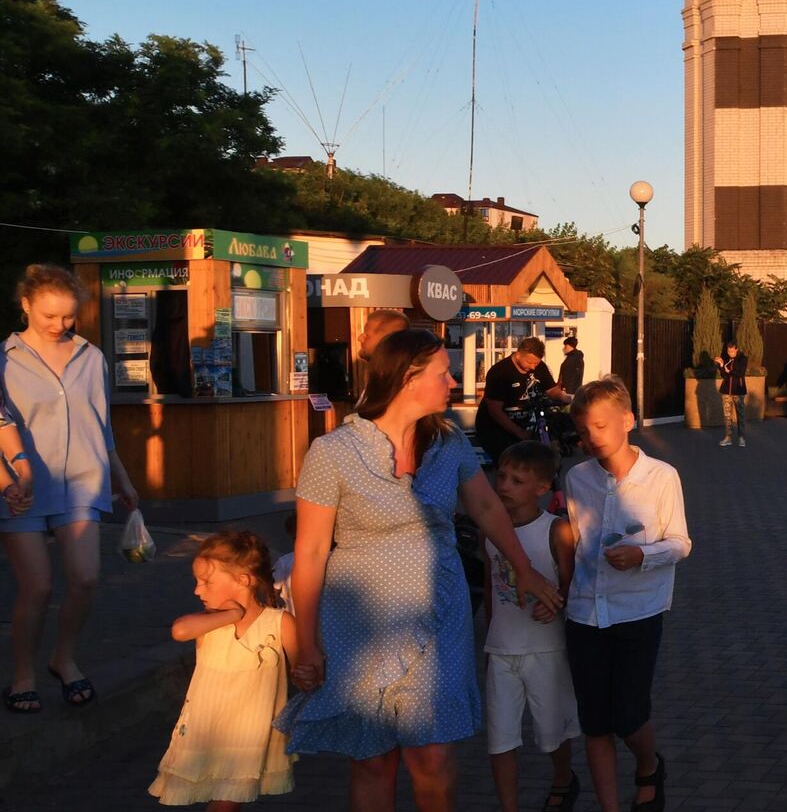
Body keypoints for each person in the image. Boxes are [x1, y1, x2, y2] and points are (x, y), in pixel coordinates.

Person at [278, 329, 564, 812]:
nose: (452, 381)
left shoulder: (447, 441)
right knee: (373, 758)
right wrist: (307, 642)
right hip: (360, 624)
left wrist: (526, 569)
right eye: (441, 373)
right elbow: (309, 554)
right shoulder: (333, 453)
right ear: (409, 379)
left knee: (431, 758)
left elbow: (488, 509)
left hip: (440, 616)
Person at [2, 264, 139, 715]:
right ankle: (23, 673)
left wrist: (121, 476)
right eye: (49, 316)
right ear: (25, 305)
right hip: (21, 488)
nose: (60, 326)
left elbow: (101, 425)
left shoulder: (91, 356)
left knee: (84, 578)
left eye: (68, 317)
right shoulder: (4, 358)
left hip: (84, 478)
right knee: (37, 587)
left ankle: (64, 658)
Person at [554, 377, 689, 812]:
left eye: (601, 426)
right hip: (584, 614)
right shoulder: (577, 478)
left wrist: (643, 555)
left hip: (638, 611)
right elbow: (575, 540)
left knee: (629, 715)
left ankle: (649, 765)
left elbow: (681, 542)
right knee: (594, 723)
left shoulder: (661, 476)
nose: (591, 438)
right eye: (584, 429)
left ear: (628, 421)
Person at [150, 530, 296, 808]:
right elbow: (180, 630)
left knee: (226, 804)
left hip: (249, 736)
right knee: (222, 803)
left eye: (206, 582)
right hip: (208, 733)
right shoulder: (211, 620)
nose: (197, 590)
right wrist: (231, 614)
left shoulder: (279, 622)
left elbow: (303, 665)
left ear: (243, 580)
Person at [483, 442, 579, 812]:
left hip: (547, 648)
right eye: (501, 476)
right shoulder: (488, 531)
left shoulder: (556, 530)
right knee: (500, 738)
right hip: (502, 649)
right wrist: (488, 645)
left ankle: (563, 779)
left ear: (541, 488)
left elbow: (572, 584)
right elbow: (492, 589)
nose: (504, 485)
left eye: (517, 480)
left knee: (553, 730)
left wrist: (558, 604)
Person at [475, 338, 569, 462]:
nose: (533, 367)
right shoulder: (500, 372)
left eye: (536, 363)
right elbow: (495, 411)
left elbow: (551, 389)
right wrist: (520, 433)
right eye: (529, 362)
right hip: (496, 429)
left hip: (524, 425)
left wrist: (567, 398)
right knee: (510, 466)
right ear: (518, 354)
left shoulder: (539, 367)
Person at [717, 342, 749, 448]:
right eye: (728, 351)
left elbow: (740, 373)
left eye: (731, 351)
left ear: (736, 349)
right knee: (727, 415)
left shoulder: (743, 359)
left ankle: (741, 438)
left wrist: (729, 371)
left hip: (738, 391)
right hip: (726, 390)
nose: (729, 353)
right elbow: (723, 374)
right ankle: (728, 437)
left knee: (741, 415)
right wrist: (721, 365)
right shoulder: (726, 358)